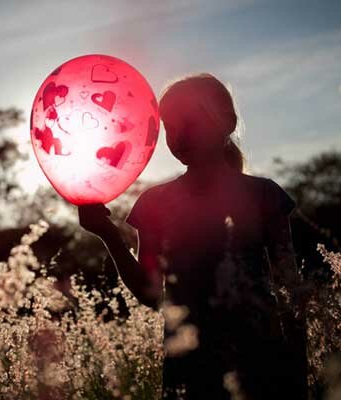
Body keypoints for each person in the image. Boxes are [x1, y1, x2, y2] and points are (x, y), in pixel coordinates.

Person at [78, 73, 308, 399]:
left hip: (260, 361)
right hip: (188, 365)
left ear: (226, 122)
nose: (178, 136)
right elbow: (151, 293)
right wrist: (108, 234)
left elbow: (290, 293)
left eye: (189, 122)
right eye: (170, 127)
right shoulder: (154, 203)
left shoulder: (264, 196)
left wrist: (298, 371)